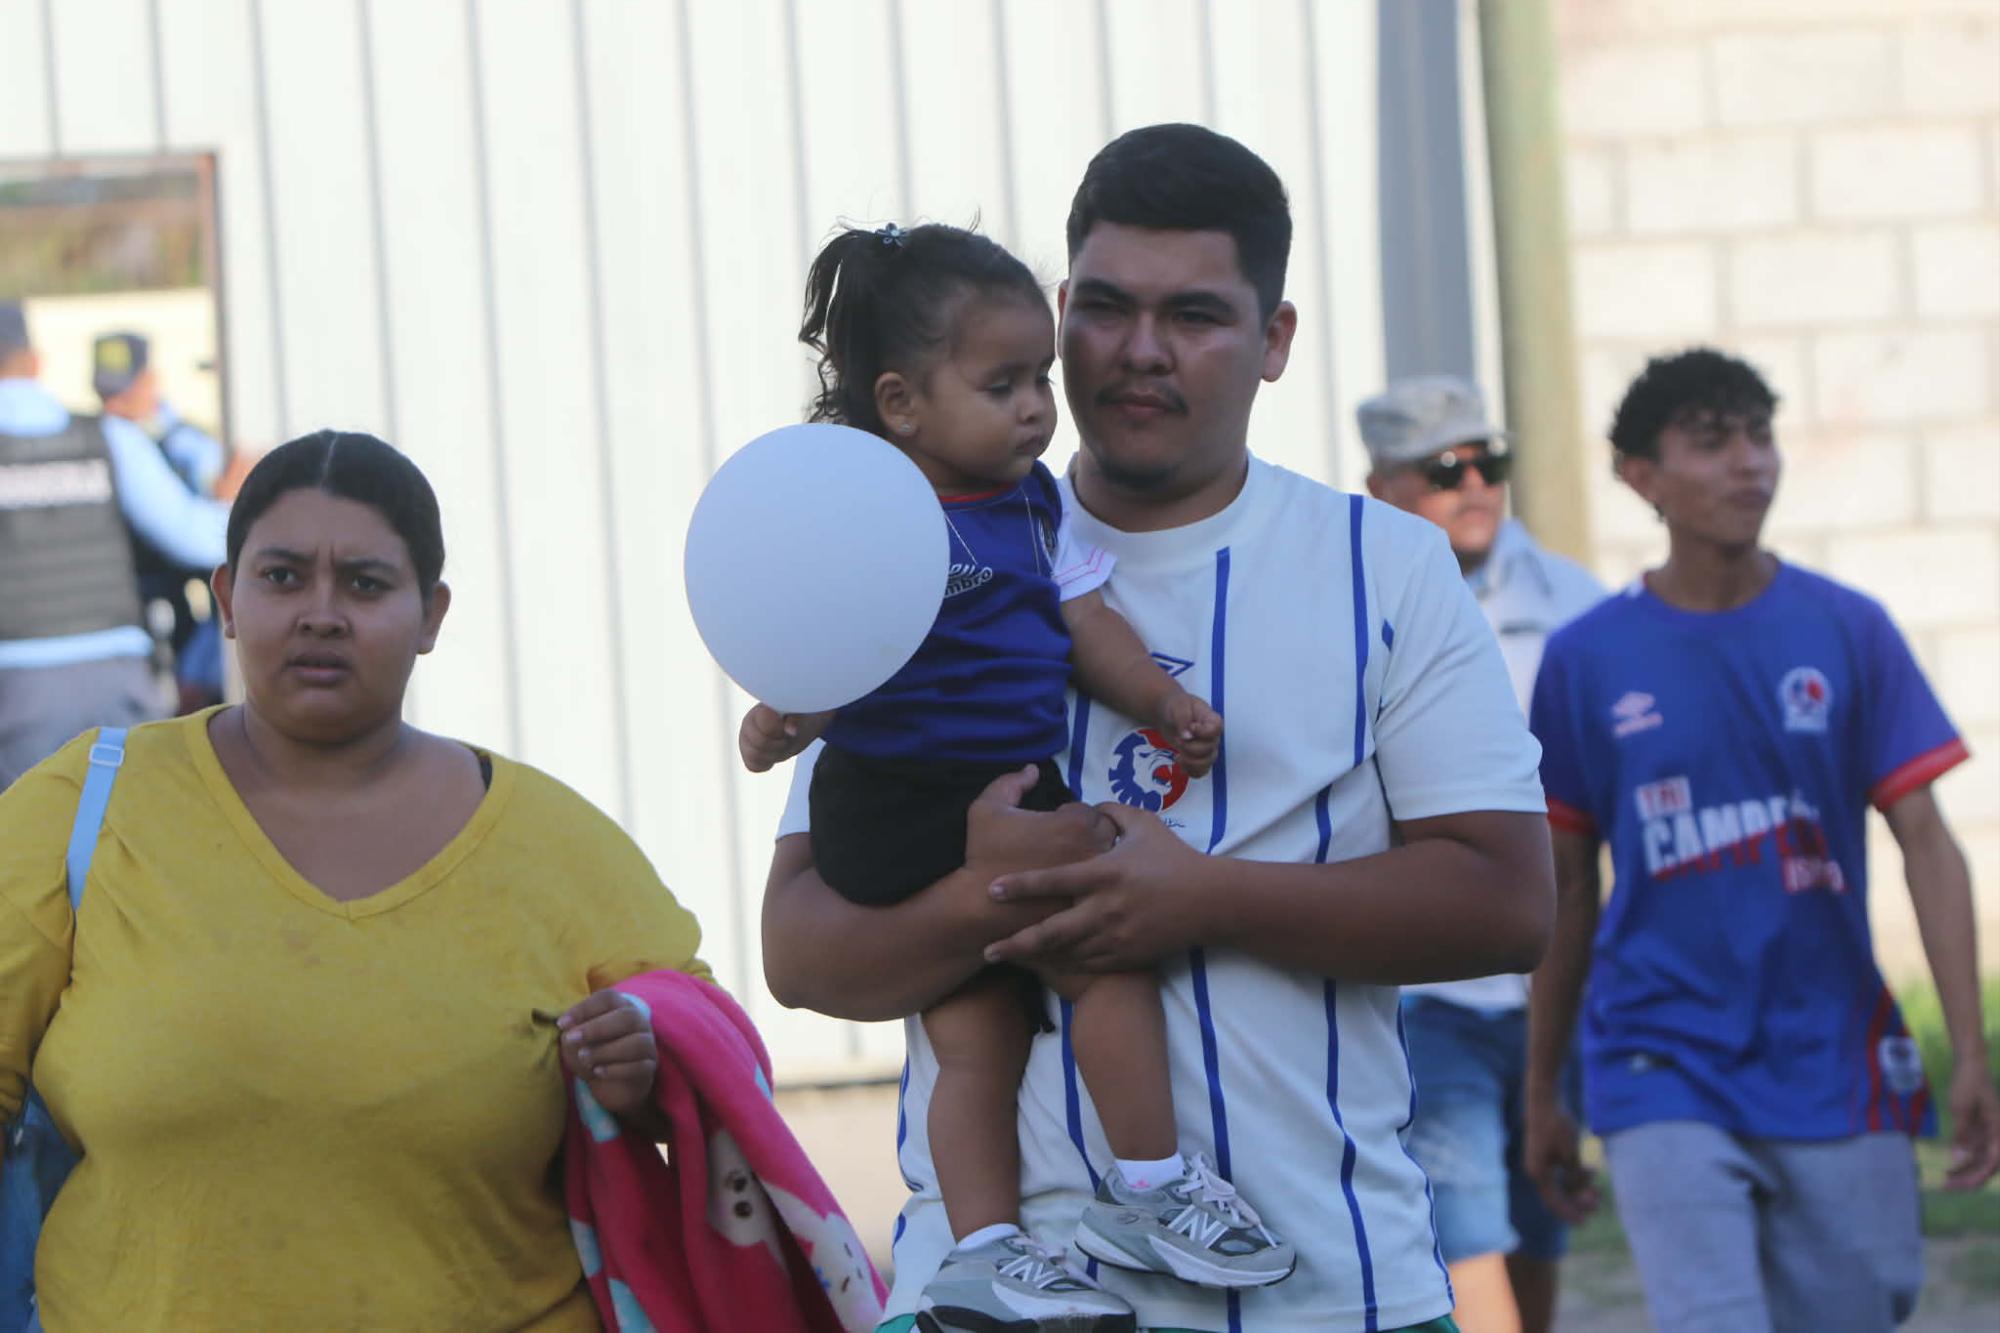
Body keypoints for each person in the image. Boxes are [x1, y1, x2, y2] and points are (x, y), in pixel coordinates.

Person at [763, 122, 1555, 1333]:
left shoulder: (1384, 569)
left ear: (1273, 339)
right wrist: (1001, 894)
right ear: (1057, 306)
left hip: (1329, 1291)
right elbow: (802, 951)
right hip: (985, 1305)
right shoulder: (893, 550)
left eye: (1192, 314)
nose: (1139, 351)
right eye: (1107, 307)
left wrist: (1199, 898)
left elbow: (1506, 903)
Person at [0, 429, 710, 1329]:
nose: (321, 612)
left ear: (432, 614)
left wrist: (644, 1069)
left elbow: (717, 1082)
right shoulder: (85, 807)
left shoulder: (556, 844)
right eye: (283, 576)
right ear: (226, 598)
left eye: (366, 584)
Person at [737, 221, 1279, 1333]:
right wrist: (782, 719)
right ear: (900, 403)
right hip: (898, 795)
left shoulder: (1034, 506)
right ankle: (1146, 1183)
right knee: (1106, 944)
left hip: (981, 781)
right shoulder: (878, 520)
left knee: (973, 1030)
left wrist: (1159, 702)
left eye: (1039, 378)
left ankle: (984, 1252)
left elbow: (1087, 625)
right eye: (1002, 384)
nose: (1036, 406)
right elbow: (834, 647)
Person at [1522, 348, 2000, 1333]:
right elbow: (1565, 887)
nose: (1749, 463)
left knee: (1861, 1305)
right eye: (1711, 440)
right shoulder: (1585, 660)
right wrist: (1541, 1085)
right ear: (1637, 476)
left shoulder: (1847, 629)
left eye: (1759, 435)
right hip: (1658, 1051)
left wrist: (1965, 1050)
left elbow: (1924, 840)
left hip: (1830, 1051)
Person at [1359, 374, 1601, 1333]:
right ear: (1380, 486)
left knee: (1539, 1227)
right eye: (1442, 468)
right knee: (1465, 1234)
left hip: (1549, 982)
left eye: (1487, 461)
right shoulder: (1360, 606)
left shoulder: (1576, 604)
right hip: (1436, 989)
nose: (1474, 484)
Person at [0, 302, 227, 787]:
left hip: (13, 689)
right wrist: (236, 499)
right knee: (130, 843)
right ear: (36, 363)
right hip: (115, 678)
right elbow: (199, 537)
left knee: (22, 850)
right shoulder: (108, 438)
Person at [92, 330, 231, 712]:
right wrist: (231, 501)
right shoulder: (120, 439)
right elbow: (201, 540)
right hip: (148, 632)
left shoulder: (177, 437)